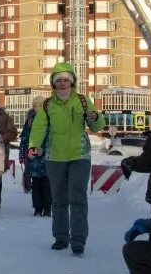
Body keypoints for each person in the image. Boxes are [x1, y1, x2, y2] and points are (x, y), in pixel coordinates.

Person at [28, 62, 104, 254]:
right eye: (58, 80)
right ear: (53, 84)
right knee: (59, 199)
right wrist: (34, 145)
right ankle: (61, 237)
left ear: (72, 82)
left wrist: (95, 118)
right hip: (55, 158)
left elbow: (96, 126)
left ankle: (78, 241)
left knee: (77, 198)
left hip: (80, 156)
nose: (62, 84)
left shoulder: (83, 100)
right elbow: (39, 127)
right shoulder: (47, 105)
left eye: (66, 80)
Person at [20, 104, 51, 216]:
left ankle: (47, 208)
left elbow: (53, 139)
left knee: (47, 184)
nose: (38, 108)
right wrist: (23, 154)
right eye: (36, 106)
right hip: (33, 158)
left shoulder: (49, 119)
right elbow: (24, 138)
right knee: (36, 185)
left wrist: (44, 150)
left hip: (47, 158)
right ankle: (37, 208)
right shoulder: (29, 121)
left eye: (40, 105)